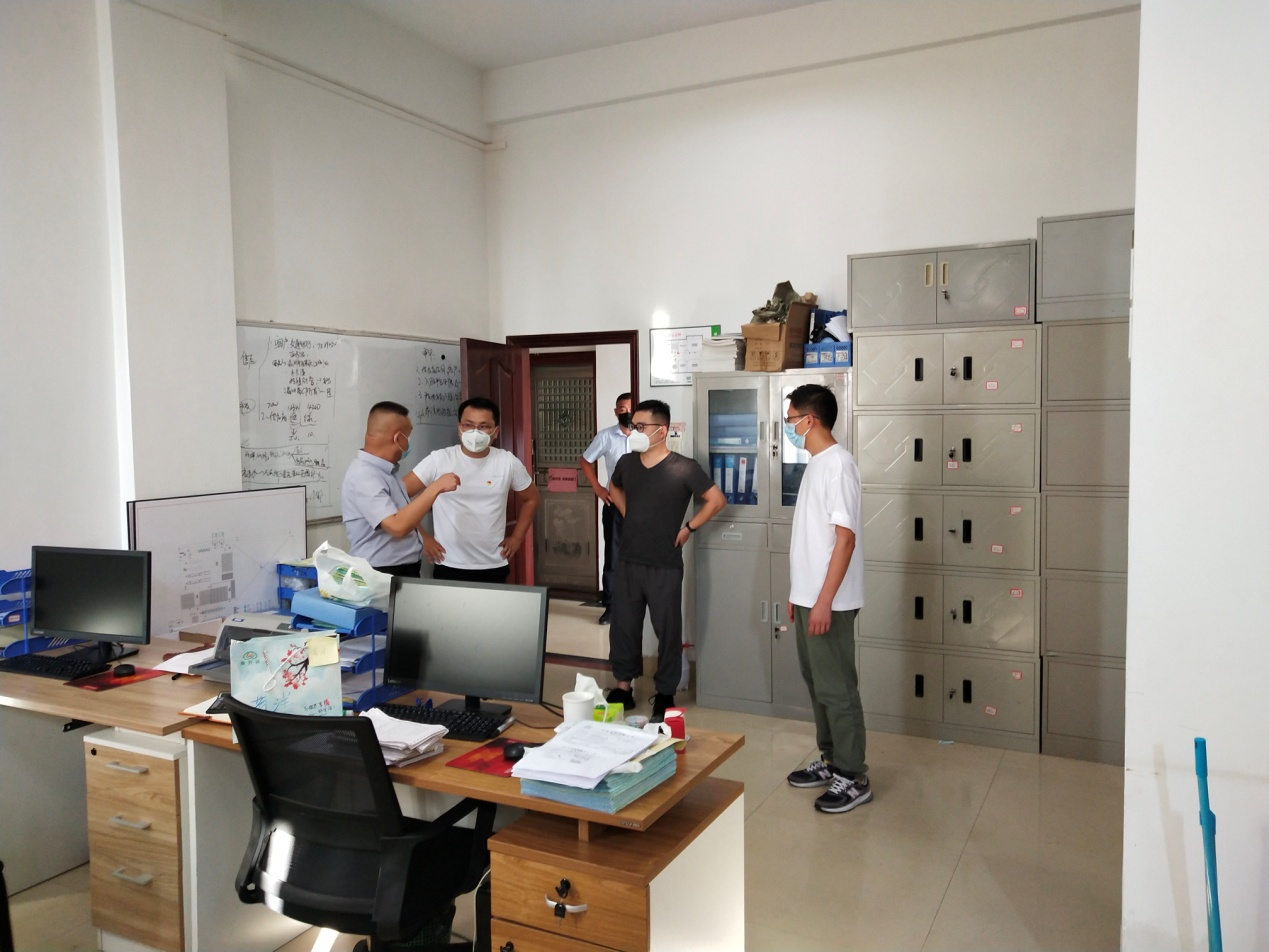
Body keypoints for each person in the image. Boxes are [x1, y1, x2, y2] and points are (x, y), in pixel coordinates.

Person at [606, 399, 726, 722]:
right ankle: (623, 688)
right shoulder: (627, 463)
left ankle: (665, 693)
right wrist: (628, 513)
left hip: (664, 564)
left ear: (662, 430)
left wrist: (689, 528)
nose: (634, 432)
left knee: (668, 630)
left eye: (641, 427)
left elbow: (716, 500)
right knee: (624, 626)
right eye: (632, 426)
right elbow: (613, 487)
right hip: (629, 560)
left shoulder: (684, 467)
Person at [782, 383, 870, 814]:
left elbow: (844, 540)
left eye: (790, 420)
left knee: (837, 688)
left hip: (829, 602)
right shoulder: (816, 464)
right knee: (817, 683)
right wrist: (797, 594)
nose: (788, 427)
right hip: (808, 597)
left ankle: (853, 775)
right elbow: (812, 540)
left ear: (809, 420)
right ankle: (832, 759)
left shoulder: (839, 465)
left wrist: (823, 601)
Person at [405, 396, 539, 584]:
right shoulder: (439, 460)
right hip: (449, 563)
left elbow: (532, 498)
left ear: (496, 432)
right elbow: (399, 495)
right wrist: (423, 537)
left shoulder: (507, 462)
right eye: (468, 425)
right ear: (459, 428)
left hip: (493, 563)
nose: (475, 432)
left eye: (484, 426)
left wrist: (517, 537)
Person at [341, 401, 460, 577]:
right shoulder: (364, 476)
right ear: (398, 438)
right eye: (408, 436)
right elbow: (397, 526)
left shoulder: (386, 471)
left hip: (401, 570)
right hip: (380, 573)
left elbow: (404, 514)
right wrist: (435, 487)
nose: (409, 442)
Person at [578, 392, 634, 625]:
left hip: (642, 505)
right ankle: (611, 605)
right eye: (622, 409)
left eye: (630, 408)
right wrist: (598, 488)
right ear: (615, 412)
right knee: (614, 555)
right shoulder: (606, 436)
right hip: (614, 504)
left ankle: (638, 604)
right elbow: (585, 460)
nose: (627, 412)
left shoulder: (645, 435)